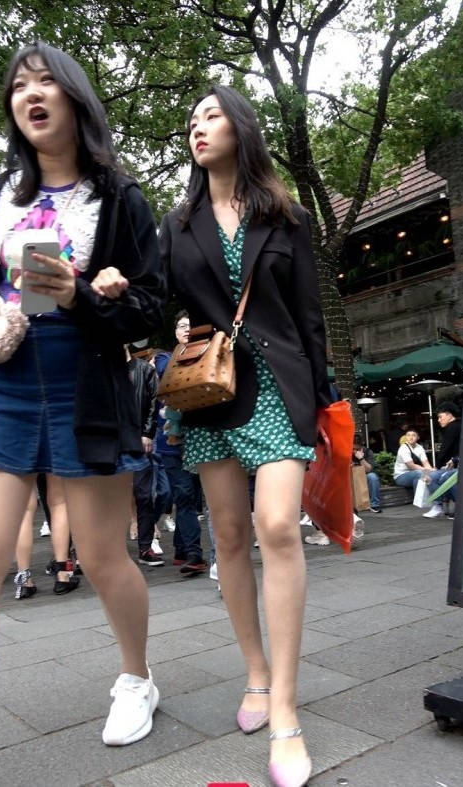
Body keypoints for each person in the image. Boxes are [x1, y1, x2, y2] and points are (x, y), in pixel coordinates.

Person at [0, 42, 165, 747]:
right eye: (18, 86)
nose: (30, 94)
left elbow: (151, 311)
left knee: (100, 555)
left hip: (84, 385)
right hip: (4, 381)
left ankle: (136, 678)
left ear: (73, 96)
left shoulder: (118, 198)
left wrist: (84, 295)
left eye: (44, 82)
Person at [158, 85, 331, 787]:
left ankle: (285, 708)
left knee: (276, 526)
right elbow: (160, 303)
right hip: (212, 390)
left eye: (211, 114)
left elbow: (309, 313)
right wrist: (171, 323)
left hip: (279, 385)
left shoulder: (284, 215)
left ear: (240, 126)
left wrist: (325, 402)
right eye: (191, 120)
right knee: (228, 534)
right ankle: (255, 673)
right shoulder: (177, 225)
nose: (197, 127)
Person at [154, 313, 207, 575]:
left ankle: (181, 550)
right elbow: (168, 372)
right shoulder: (165, 358)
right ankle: (194, 554)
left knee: (191, 497)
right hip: (171, 443)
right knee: (185, 495)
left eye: (190, 325)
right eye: (182, 326)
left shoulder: (206, 353)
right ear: (175, 332)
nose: (186, 329)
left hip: (199, 438)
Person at [126, 345, 164, 566]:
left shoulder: (144, 369)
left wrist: (147, 433)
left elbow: (153, 403)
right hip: (111, 440)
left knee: (144, 494)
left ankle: (145, 546)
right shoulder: (104, 369)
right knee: (109, 497)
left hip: (139, 438)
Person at [423, 401, 461, 519]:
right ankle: (438, 506)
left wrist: (437, 466)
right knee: (432, 477)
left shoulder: (452, 427)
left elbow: (445, 449)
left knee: (435, 477)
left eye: (440, 417)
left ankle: (441, 506)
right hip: (455, 464)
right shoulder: (457, 426)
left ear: (449, 415)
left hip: (458, 466)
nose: (439, 420)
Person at [352, 434, 382, 513]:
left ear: (361, 446)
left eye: (357, 449)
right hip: (351, 476)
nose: (354, 451)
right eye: (353, 449)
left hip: (364, 475)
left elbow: (368, 469)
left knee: (372, 477)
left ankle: (374, 505)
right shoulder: (347, 452)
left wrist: (361, 459)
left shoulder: (368, 452)